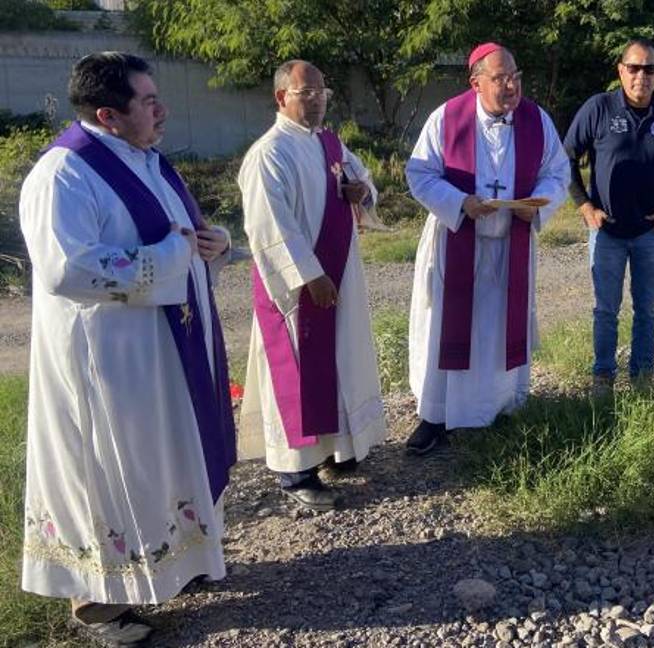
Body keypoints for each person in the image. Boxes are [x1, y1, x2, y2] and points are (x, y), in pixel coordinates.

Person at [19, 51, 235, 644]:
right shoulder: (63, 174)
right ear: (108, 114)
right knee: (107, 471)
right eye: (148, 101)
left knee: (156, 460)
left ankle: (173, 565)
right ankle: (97, 603)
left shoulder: (148, 160)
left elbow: (181, 231)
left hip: (163, 347)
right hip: (105, 362)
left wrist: (214, 241)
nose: (162, 108)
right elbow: (67, 269)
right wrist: (169, 258)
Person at [404, 43, 570, 454]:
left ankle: (500, 409)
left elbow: (558, 172)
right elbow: (419, 172)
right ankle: (435, 416)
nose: (511, 85)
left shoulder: (536, 120)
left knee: (498, 330)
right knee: (446, 326)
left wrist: (539, 206)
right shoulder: (446, 119)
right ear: (476, 83)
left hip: (508, 246)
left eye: (515, 75)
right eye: (500, 78)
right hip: (457, 240)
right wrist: (460, 202)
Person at [238, 60, 386, 510]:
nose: (318, 99)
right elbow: (269, 227)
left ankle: (335, 449)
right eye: (307, 92)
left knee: (340, 357)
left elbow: (363, 183)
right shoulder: (269, 153)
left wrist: (362, 192)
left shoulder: (330, 142)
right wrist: (310, 276)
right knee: (298, 371)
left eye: (322, 91)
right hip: (300, 289)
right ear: (282, 98)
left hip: (339, 272)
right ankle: (294, 469)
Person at [564, 38, 654, 390]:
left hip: (649, 233)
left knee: (647, 310)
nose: (641, 75)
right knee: (606, 310)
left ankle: (642, 377)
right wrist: (585, 206)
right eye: (634, 67)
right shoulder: (598, 108)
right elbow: (564, 158)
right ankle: (603, 375)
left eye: (649, 68)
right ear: (621, 71)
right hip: (606, 230)